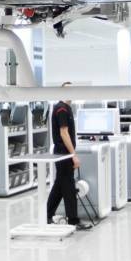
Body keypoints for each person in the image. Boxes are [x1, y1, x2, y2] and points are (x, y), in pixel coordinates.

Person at [46, 88, 90, 230]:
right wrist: (73, 155)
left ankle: (47, 215)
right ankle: (73, 220)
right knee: (69, 187)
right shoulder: (62, 109)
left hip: (63, 153)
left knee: (60, 185)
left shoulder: (66, 108)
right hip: (64, 153)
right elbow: (64, 133)